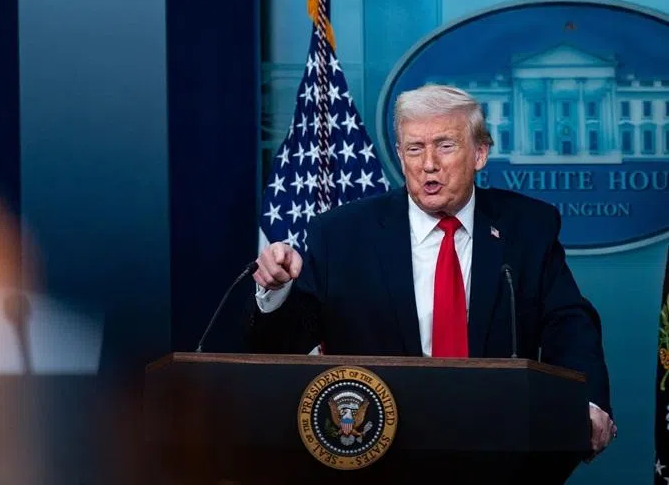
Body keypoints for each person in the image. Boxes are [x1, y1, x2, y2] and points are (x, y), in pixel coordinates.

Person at [248, 84, 615, 459]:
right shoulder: (341, 234)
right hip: (375, 455)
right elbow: (282, 349)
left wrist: (586, 403)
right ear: (400, 156)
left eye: (445, 146)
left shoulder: (528, 227)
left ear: (480, 153)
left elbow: (568, 322)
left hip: (497, 450)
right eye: (414, 148)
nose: (428, 164)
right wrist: (276, 292)